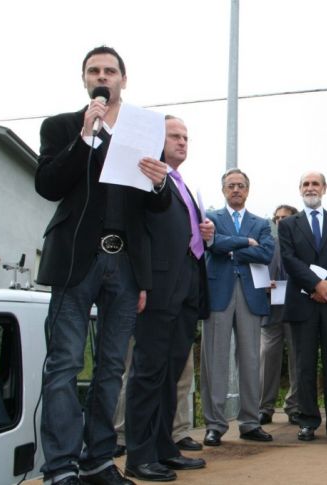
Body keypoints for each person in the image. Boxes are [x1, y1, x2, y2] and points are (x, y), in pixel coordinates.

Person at [35, 46, 170, 485]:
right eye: (94, 70)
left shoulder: (142, 130)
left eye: (110, 70)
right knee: (66, 365)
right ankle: (60, 467)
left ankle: (97, 460)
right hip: (76, 261)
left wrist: (159, 182)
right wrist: (84, 135)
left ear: (123, 80)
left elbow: (156, 208)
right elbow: (48, 185)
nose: (103, 76)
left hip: (126, 265)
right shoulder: (62, 126)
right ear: (85, 79)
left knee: (112, 367)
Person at [124, 116, 211, 482]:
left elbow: (182, 231)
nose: (182, 142)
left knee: (170, 373)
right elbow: (136, 229)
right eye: (175, 136)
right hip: (158, 286)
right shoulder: (144, 176)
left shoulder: (183, 185)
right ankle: (139, 456)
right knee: (148, 371)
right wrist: (140, 282)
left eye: (186, 137)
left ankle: (163, 448)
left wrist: (205, 231)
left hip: (187, 286)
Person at [278, 171, 327, 441]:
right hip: (303, 303)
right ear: (299, 189)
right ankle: (308, 421)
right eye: (306, 184)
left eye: (315, 184)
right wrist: (315, 285)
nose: (310, 188)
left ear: (324, 188)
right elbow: (289, 260)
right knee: (305, 365)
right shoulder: (288, 224)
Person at [200, 169, 275, 446]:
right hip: (218, 292)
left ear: (248, 190)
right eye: (231, 186)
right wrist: (244, 242)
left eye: (241, 186)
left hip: (250, 295)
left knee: (250, 361)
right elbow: (211, 243)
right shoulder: (211, 218)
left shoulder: (261, 223)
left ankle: (250, 422)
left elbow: (266, 253)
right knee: (215, 361)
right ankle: (215, 424)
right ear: (223, 190)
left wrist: (228, 248)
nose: (236, 190)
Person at [259, 204, 300, 426]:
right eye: (278, 218)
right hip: (270, 312)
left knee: (297, 360)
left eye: (286, 218)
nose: (281, 221)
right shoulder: (268, 246)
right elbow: (255, 274)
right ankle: (265, 408)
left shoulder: (303, 246)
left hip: (296, 311)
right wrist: (265, 285)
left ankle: (294, 407)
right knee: (267, 359)